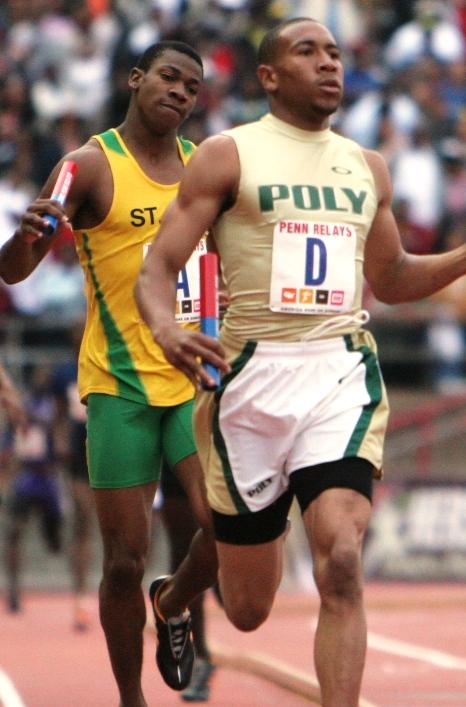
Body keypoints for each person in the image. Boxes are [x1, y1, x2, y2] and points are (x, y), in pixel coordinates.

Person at [135, 18, 466, 707]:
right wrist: (166, 327)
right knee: (249, 605)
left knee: (341, 560)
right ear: (269, 75)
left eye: (337, 53)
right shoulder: (228, 155)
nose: (329, 64)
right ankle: (172, 599)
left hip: (338, 374)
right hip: (250, 381)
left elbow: (395, 275)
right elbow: (160, 265)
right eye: (308, 52)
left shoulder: (365, 165)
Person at [0, 41, 218, 707]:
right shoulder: (87, 164)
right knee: (123, 559)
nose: (180, 93)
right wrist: (27, 236)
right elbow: (14, 269)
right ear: (135, 78)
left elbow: (220, 262)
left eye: (192, 86)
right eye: (169, 78)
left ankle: (173, 600)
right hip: (118, 383)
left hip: (188, 380)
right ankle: (131, 697)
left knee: (230, 526)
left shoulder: (203, 167)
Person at [153, 461, 216, 702]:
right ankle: (200, 656)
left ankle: (222, 567)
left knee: (245, 610)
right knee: (183, 553)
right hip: (181, 446)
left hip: (232, 444)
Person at [3, 364, 62, 613]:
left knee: (54, 540)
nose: (41, 379)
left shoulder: (54, 407)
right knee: (14, 532)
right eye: (36, 375)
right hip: (26, 478)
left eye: (44, 376)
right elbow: (8, 443)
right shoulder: (20, 406)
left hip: (47, 479)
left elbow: (61, 434)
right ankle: (14, 590)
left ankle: (53, 537)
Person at [51, 320, 95, 631]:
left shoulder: (106, 362)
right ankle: (80, 595)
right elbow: (56, 414)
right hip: (79, 455)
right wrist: (59, 440)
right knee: (82, 520)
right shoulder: (65, 372)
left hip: (110, 447)